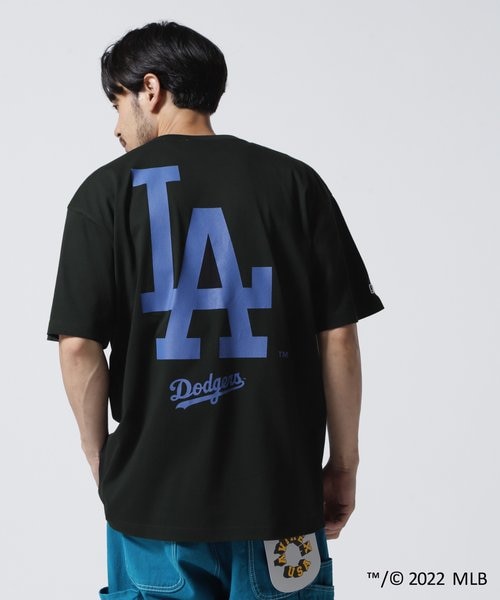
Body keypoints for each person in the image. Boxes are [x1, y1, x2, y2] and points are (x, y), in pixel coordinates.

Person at [47, 20, 384, 600]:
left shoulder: (103, 195)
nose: (117, 127)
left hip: (153, 502)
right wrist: (343, 465)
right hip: (280, 500)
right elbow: (339, 337)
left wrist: (102, 458)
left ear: (150, 89)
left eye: (117, 103)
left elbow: (78, 346)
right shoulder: (295, 183)